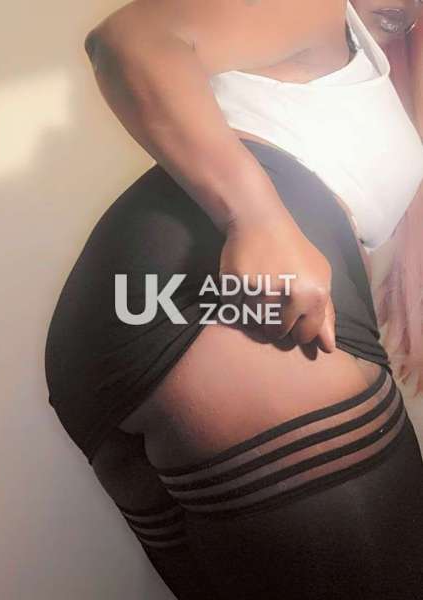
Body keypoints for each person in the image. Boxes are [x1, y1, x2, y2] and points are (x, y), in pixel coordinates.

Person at [45, 1, 423, 598]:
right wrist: (256, 216)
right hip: (221, 294)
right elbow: (130, 40)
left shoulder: (363, 44)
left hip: (147, 303)